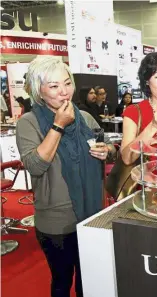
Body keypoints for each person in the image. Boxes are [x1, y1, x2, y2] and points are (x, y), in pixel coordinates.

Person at [15, 56, 115, 297]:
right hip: (56, 222)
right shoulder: (28, 123)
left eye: (67, 83)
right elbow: (36, 166)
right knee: (61, 282)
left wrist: (107, 151)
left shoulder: (85, 118)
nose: (64, 92)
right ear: (39, 90)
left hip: (91, 214)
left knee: (89, 280)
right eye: (54, 86)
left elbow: (109, 149)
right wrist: (58, 125)